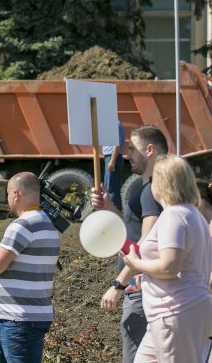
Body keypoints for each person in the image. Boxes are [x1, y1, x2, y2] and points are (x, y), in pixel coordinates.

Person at [121, 156, 212, 362]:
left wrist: (136, 264)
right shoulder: (193, 214)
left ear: (161, 183)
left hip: (175, 310)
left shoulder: (173, 215)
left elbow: (170, 266)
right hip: (178, 310)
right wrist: (142, 269)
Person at [94, 125, 167, 363]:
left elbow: (145, 245)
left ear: (149, 150)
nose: (127, 155)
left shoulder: (152, 191)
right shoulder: (151, 189)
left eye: (132, 149)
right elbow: (133, 234)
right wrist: (109, 208)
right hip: (142, 287)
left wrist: (119, 284)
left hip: (140, 288)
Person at [0, 172, 60, 363]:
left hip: (18, 319)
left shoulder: (22, 225)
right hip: (25, 317)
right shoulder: (47, 224)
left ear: (16, 195)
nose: (8, 197)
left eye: (9, 192)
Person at [103, 120, 125, 210]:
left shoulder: (115, 124)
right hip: (111, 156)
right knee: (109, 187)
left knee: (111, 188)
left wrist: (112, 161)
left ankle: (114, 213)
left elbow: (117, 143)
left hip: (113, 156)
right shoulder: (114, 123)